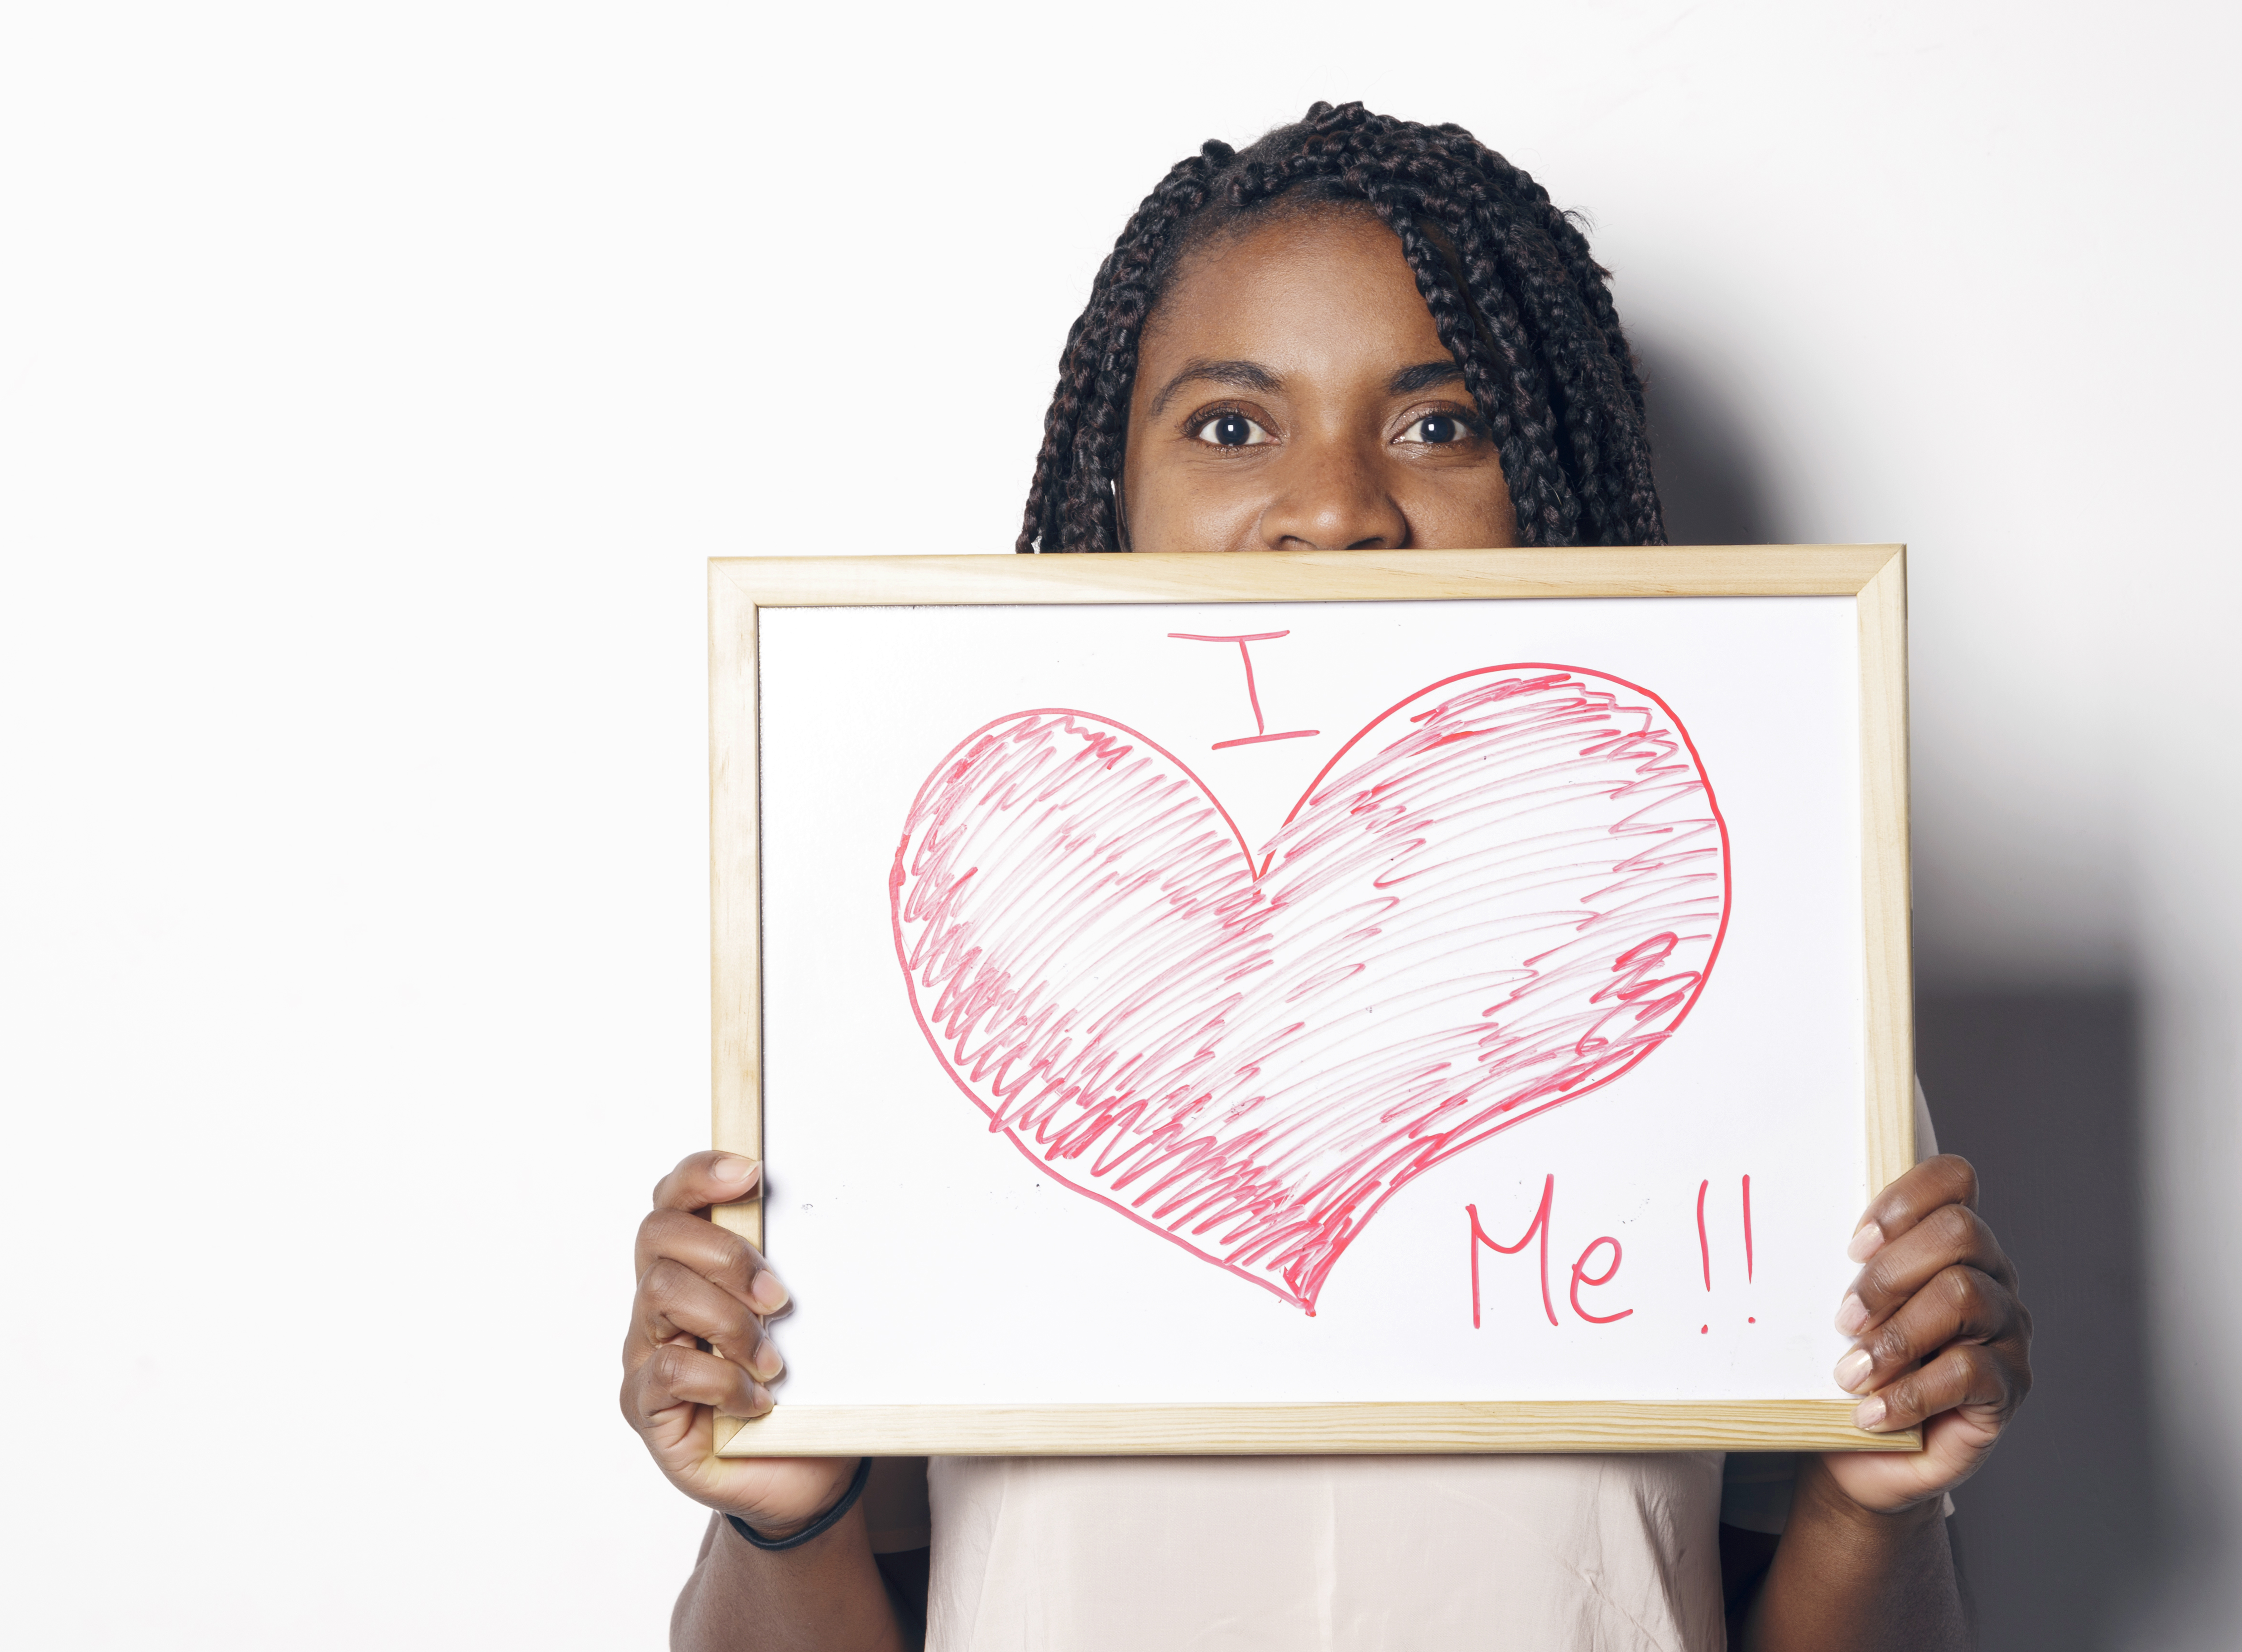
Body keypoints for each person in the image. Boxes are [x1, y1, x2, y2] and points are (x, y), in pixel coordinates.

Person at [621, 102, 2032, 1652]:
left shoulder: (1786, 1024)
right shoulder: (890, 1019)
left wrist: (1876, 1498)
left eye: (1442, 425)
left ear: (1550, 473)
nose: (1339, 512)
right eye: (1233, 427)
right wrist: (784, 1506)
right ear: (1112, 486)